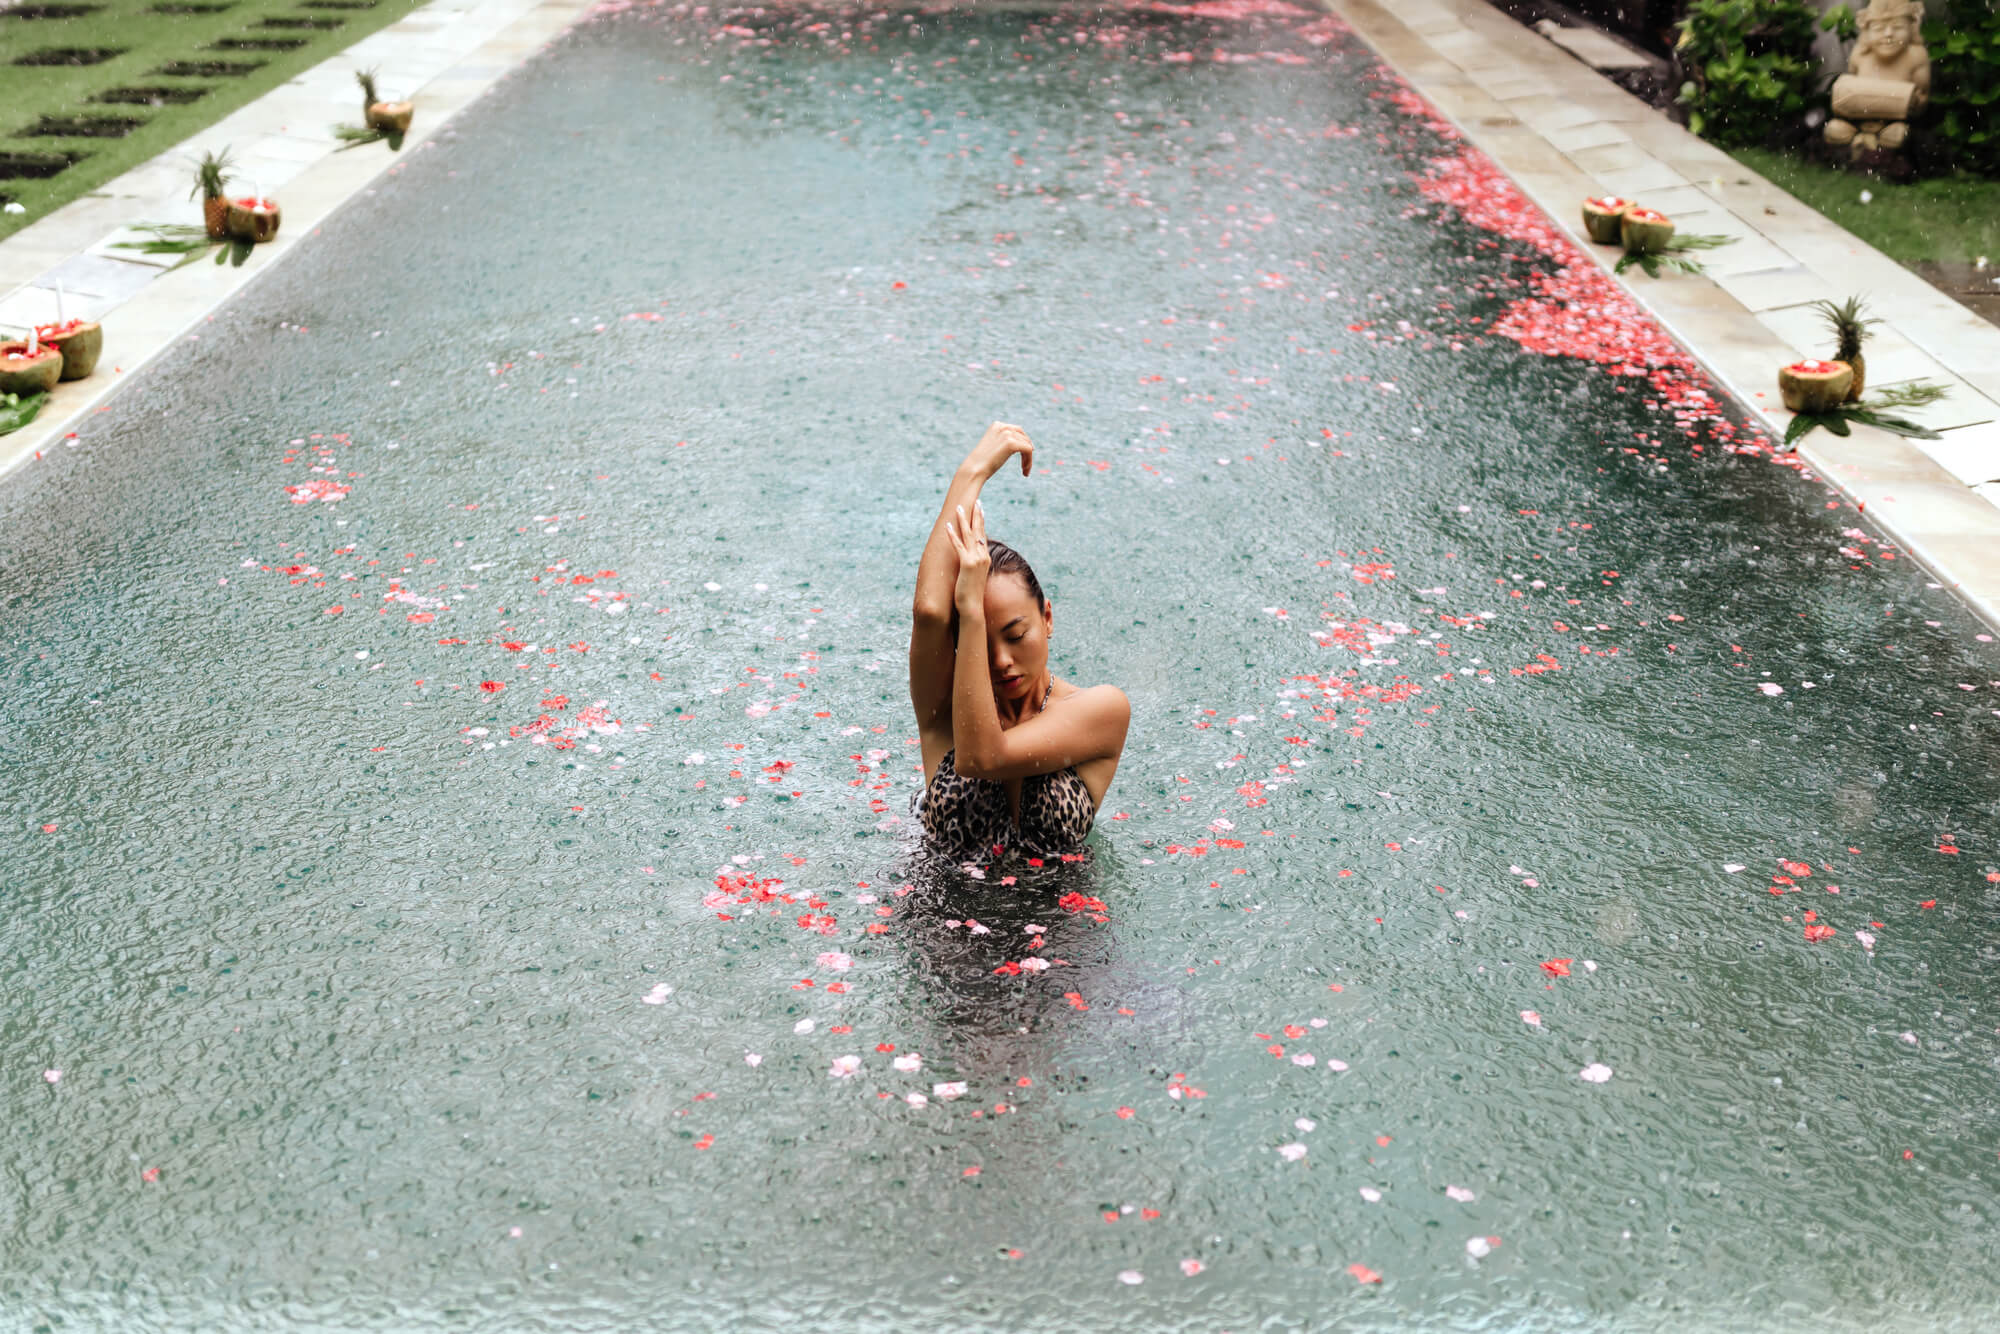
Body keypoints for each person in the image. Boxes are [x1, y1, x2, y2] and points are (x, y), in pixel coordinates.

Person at [908, 422, 1130, 864]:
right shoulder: (946, 711)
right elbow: (931, 613)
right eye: (980, 642)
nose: (1002, 661)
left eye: (1015, 635)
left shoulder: (1101, 709)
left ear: (1047, 618)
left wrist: (972, 611)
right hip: (938, 925)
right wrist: (972, 472)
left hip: (1063, 930)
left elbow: (984, 758)